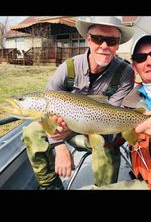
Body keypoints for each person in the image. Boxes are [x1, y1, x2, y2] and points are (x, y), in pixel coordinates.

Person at [22, 16, 135, 190]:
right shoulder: (67, 68)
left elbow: (113, 114)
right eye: (98, 39)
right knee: (31, 132)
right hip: (64, 129)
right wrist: (59, 146)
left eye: (111, 41)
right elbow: (45, 112)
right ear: (88, 39)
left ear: (118, 44)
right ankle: (50, 185)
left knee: (106, 145)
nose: (104, 46)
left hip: (101, 129)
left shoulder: (125, 72)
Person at [98, 34, 151, 190]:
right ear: (135, 66)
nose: (150, 62)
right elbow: (113, 139)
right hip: (146, 184)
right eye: (141, 57)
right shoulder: (129, 101)